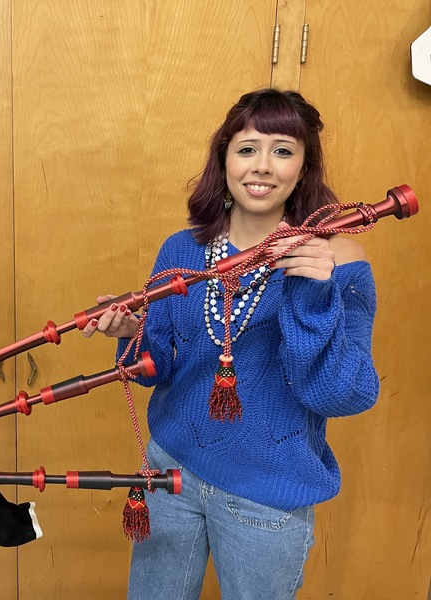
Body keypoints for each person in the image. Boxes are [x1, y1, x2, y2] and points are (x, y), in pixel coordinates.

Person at [83, 88, 379, 599]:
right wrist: (135, 333)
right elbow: (161, 367)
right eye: (247, 148)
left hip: (266, 493)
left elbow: (342, 393)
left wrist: (311, 293)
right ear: (224, 159)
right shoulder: (184, 249)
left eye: (283, 150)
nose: (262, 166)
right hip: (170, 470)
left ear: (305, 167)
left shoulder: (339, 261)